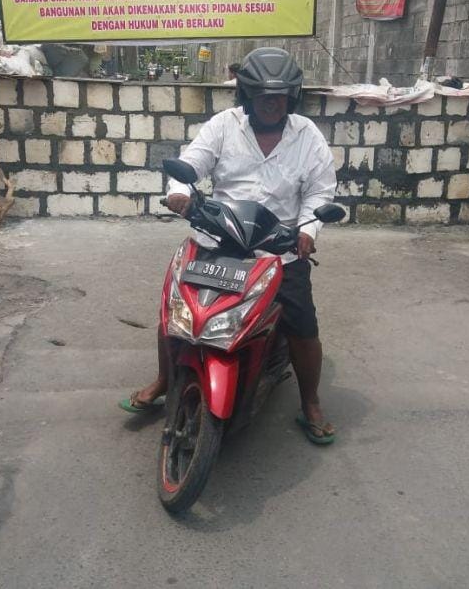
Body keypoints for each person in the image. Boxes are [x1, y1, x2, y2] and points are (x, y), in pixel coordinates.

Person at [120, 47, 338, 444]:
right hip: (219, 238)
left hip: (279, 249)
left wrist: (308, 231)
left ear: (293, 97)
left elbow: (320, 191)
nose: (274, 104)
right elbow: (192, 164)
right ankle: (164, 379)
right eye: (265, 96)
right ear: (247, 96)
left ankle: (310, 403)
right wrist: (180, 193)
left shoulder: (307, 136)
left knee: (303, 325)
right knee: (177, 311)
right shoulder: (223, 125)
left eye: (282, 96)